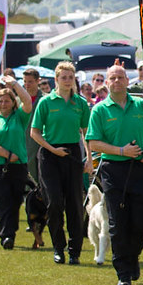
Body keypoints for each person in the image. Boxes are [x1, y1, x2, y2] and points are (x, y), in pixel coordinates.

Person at [86, 64, 143, 285]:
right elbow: (94, 142)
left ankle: (132, 258)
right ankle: (124, 273)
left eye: (120, 77)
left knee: (140, 221)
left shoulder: (141, 105)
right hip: (113, 170)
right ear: (106, 83)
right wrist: (120, 150)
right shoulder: (99, 110)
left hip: (139, 169)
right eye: (112, 78)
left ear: (127, 81)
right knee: (118, 223)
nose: (117, 81)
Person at [30, 62, 92, 265]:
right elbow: (35, 132)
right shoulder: (46, 102)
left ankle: (75, 250)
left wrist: (89, 159)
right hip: (50, 154)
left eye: (70, 77)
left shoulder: (80, 103)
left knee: (75, 204)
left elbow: (87, 134)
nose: (67, 81)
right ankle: (59, 246)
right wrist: (52, 149)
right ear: (56, 80)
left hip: (72, 154)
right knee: (54, 203)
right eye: (63, 77)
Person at [0, 76, 34, 249]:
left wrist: (14, 84)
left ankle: (10, 230)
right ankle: (6, 235)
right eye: (0, 101)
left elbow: (27, 101)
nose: (3, 104)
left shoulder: (19, 117)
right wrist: (7, 154)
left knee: (15, 200)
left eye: (6, 101)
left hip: (17, 167)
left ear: (13, 102)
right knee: (1, 199)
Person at [22, 68, 43, 184]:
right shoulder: (19, 100)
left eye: (30, 81)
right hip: (25, 141)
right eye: (25, 81)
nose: (27, 84)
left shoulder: (45, 99)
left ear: (37, 81)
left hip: (42, 140)